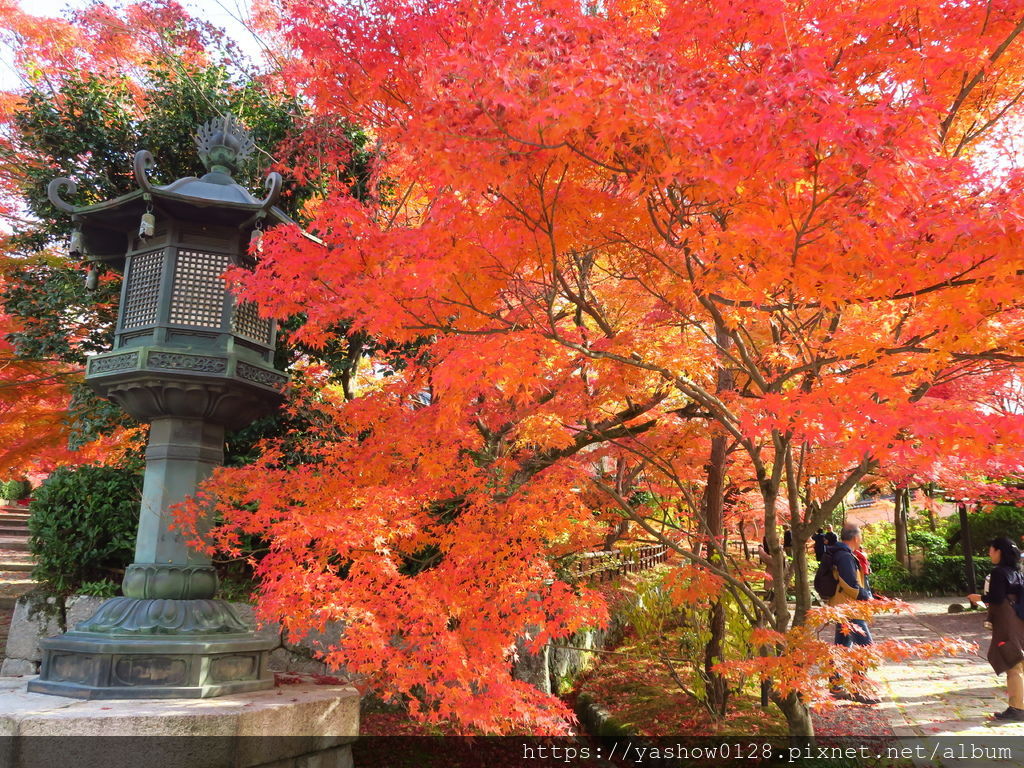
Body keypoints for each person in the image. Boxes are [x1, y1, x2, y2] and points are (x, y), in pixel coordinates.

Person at [967, 537, 1024, 721]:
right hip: (1019, 619)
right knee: (1018, 662)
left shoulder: (999, 572)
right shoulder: (1018, 571)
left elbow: (997, 598)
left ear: (999, 551)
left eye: (991, 550)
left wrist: (979, 598)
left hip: (1007, 621)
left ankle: (1017, 708)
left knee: (1013, 663)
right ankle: (1017, 706)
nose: (989, 553)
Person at [828, 525, 879, 704]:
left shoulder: (843, 554)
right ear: (855, 537)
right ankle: (859, 689)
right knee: (866, 647)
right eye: (861, 535)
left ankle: (836, 686)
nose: (862, 538)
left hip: (843, 607)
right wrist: (866, 596)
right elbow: (849, 584)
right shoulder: (844, 556)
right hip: (849, 609)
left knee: (841, 647)